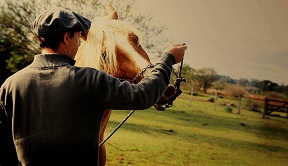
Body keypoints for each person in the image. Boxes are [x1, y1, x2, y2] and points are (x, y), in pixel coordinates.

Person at [0, 7, 187, 166]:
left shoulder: (10, 85)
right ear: (67, 37)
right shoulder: (89, 79)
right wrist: (168, 59)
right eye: (78, 38)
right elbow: (141, 95)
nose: (79, 44)